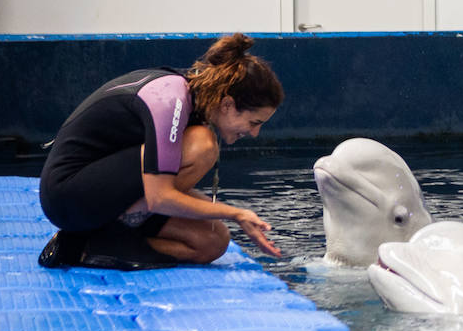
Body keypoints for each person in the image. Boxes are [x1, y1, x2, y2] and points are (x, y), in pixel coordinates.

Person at [38, 32, 284, 269]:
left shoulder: (199, 98)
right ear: (228, 104)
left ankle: (85, 246)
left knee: (212, 241)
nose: (254, 133)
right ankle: (110, 230)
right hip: (67, 196)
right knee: (202, 145)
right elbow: (159, 198)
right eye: (254, 123)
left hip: (107, 191)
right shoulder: (172, 99)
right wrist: (237, 214)